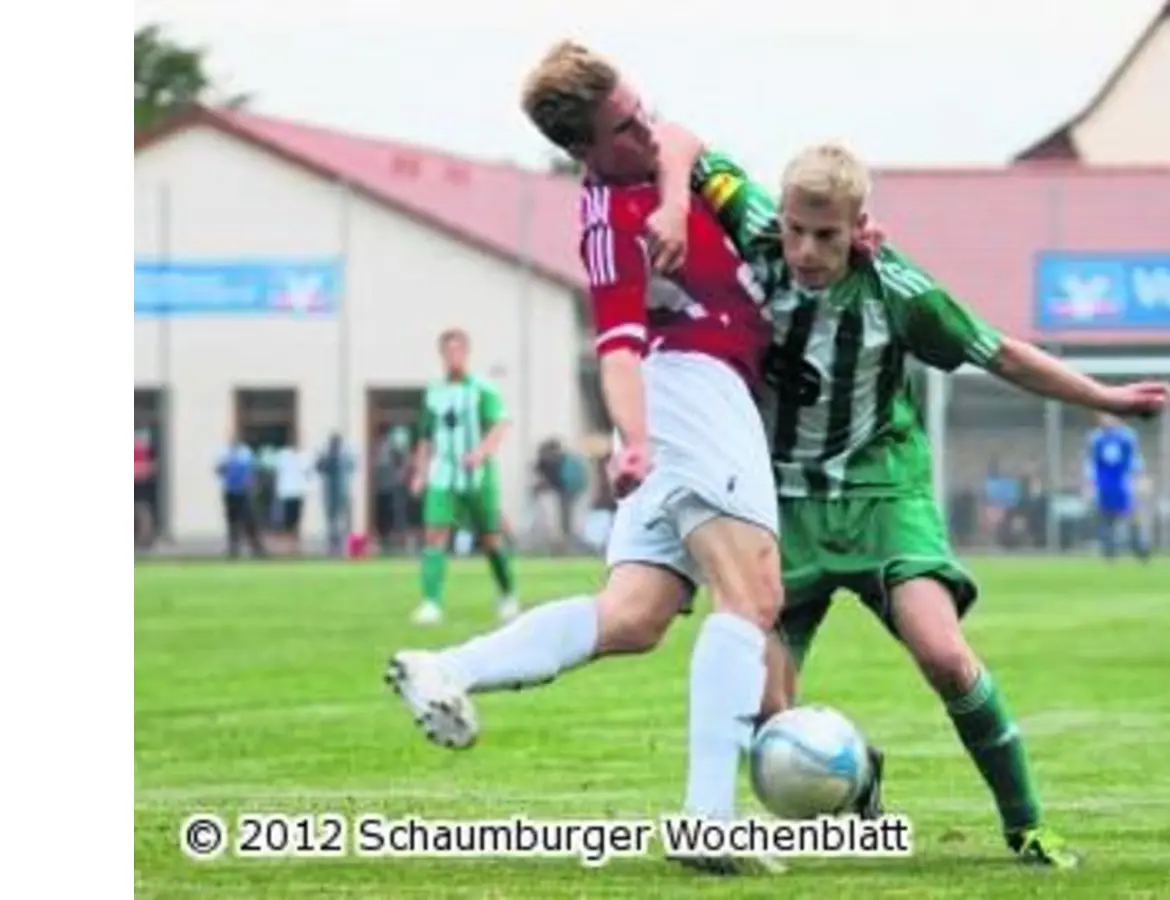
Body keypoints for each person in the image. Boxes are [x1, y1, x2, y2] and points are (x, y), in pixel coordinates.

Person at [384, 41, 811, 876]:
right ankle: (708, 820)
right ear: (585, 149)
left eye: (638, 105)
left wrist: (680, 203)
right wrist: (639, 438)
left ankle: (448, 666)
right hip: (688, 394)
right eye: (625, 126)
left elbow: (682, 136)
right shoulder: (610, 228)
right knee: (752, 596)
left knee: (634, 616)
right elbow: (616, 348)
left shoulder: (656, 163)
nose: (645, 131)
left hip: (695, 400)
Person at [685, 142, 1170, 867]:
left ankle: (1027, 825)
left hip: (884, 494)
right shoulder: (751, 224)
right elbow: (679, 145)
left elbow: (999, 353)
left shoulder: (899, 290)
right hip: (780, 506)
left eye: (827, 235)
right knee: (765, 711)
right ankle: (858, 781)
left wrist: (1106, 398)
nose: (807, 249)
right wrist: (667, 204)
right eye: (796, 230)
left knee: (943, 655)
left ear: (860, 228)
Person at [408, 329, 519, 625]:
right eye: (448, 351)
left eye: (459, 350)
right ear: (442, 354)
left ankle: (507, 594)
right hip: (443, 474)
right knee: (434, 535)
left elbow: (500, 424)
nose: (453, 356)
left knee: (490, 539)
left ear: (466, 353)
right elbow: (426, 436)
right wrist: (420, 472)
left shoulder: (481, 388)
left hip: (477, 476)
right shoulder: (434, 391)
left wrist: (481, 452)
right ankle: (431, 602)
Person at [1083, 413, 1151, 562]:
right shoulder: (1096, 438)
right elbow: (1090, 463)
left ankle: (1140, 549)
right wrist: (1089, 484)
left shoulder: (1127, 436)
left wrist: (1141, 478)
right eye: (1104, 416)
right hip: (1104, 485)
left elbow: (1135, 458)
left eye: (1110, 416)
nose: (1106, 420)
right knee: (1106, 518)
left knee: (1132, 516)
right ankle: (1109, 552)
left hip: (1124, 483)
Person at [216, 437, 266, 559]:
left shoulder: (246, 453)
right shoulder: (225, 454)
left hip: (244, 492)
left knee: (250, 520)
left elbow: (253, 470)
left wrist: (253, 485)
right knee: (232, 521)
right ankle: (234, 548)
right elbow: (219, 470)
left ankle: (256, 548)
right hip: (230, 491)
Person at [316, 433, 356, 556]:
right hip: (330, 493)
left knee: (343, 520)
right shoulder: (327, 456)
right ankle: (333, 546)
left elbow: (352, 468)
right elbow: (319, 468)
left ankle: (344, 545)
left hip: (342, 492)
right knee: (332, 521)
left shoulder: (344, 456)